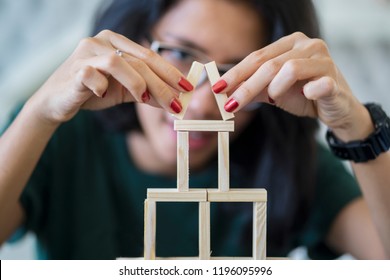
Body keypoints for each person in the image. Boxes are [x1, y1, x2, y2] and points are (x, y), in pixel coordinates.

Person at [0, 0, 389, 260]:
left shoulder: (287, 161)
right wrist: (39, 113)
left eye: (236, 75)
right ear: (133, 43)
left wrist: (357, 127)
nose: (202, 104)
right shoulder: (58, 137)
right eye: (181, 55)